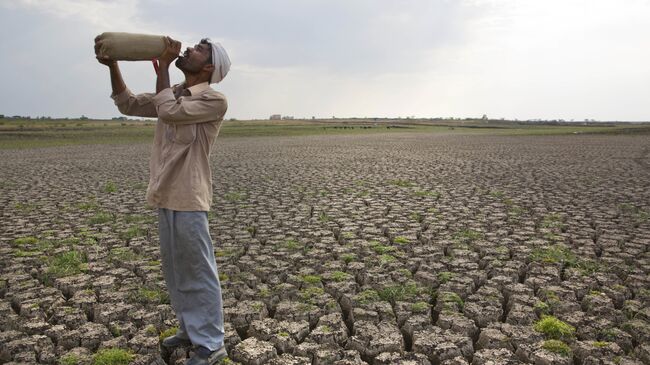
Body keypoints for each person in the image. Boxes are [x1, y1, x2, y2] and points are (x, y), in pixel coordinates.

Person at [95, 35, 231, 365]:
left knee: (198, 271)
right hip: (165, 194)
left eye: (198, 49)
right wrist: (113, 64)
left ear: (209, 66)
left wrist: (165, 67)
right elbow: (127, 103)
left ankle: (212, 343)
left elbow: (168, 112)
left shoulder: (213, 100)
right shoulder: (173, 94)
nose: (188, 49)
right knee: (176, 271)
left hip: (189, 195)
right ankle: (189, 329)